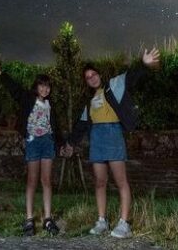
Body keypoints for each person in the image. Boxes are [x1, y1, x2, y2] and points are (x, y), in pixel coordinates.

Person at [61, 48, 161, 239]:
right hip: (96, 138)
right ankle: (102, 221)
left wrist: (143, 64)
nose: (92, 78)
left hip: (113, 133)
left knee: (121, 181)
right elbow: (80, 126)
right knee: (100, 182)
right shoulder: (89, 102)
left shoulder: (113, 85)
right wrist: (70, 144)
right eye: (88, 77)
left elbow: (131, 77)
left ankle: (124, 224)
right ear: (86, 82)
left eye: (94, 74)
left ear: (99, 74)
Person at [0, 59, 60, 236]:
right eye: (42, 86)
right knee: (32, 180)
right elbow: (15, 89)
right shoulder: (28, 98)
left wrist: (62, 143)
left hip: (47, 142)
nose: (45, 89)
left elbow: (57, 126)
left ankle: (48, 219)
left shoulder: (50, 104)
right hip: (33, 142)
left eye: (48, 87)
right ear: (36, 86)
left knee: (47, 180)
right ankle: (29, 219)